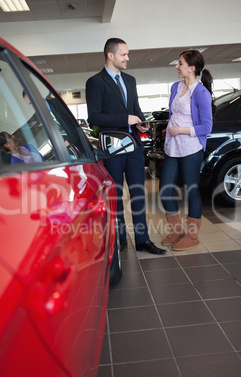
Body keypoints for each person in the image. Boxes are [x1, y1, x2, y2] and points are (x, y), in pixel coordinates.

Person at [85, 38, 166, 254]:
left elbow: (136, 109)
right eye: (124, 54)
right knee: (116, 194)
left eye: (128, 54)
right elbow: (93, 117)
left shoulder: (130, 80)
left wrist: (141, 122)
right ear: (110, 56)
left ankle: (142, 240)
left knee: (139, 193)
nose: (127, 58)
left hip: (134, 147)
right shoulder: (95, 82)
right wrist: (125, 119)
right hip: (112, 148)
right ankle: (119, 239)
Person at [159, 49, 215, 251]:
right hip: (172, 146)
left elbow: (206, 127)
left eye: (180, 63)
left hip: (191, 147)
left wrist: (180, 130)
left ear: (191, 68)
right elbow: (176, 114)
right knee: (165, 190)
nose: (177, 66)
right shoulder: (175, 87)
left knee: (191, 191)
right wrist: (169, 128)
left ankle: (192, 236)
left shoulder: (201, 93)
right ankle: (176, 230)